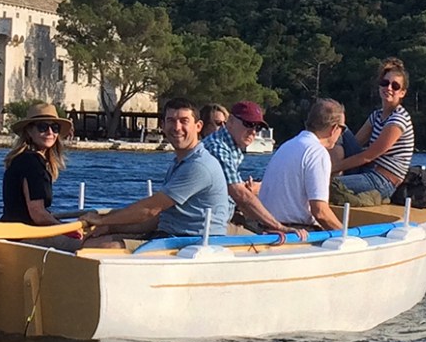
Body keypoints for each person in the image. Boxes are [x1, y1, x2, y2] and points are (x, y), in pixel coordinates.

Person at [81, 98, 231, 244]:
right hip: (171, 237)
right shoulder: (180, 162)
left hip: (194, 244)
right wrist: (109, 227)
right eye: (171, 121)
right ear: (163, 126)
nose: (177, 127)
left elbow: (150, 209)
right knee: (95, 239)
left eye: (184, 121)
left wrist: (101, 220)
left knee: (98, 246)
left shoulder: (199, 166)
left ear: (198, 126)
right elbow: (155, 218)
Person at [203, 101, 305, 236]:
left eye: (257, 127)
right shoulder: (218, 148)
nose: (253, 132)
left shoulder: (228, 147)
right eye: (248, 124)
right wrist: (280, 227)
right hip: (206, 227)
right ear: (231, 121)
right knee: (267, 245)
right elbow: (240, 195)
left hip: (213, 221)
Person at [0, 103, 84, 252]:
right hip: (27, 236)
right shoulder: (32, 162)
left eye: (55, 128)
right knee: (94, 245)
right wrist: (66, 229)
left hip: (15, 234)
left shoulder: (22, 159)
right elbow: (37, 214)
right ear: (29, 131)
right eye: (43, 127)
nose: (50, 132)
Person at [330, 57, 415, 198]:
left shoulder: (398, 119)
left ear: (402, 93)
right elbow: (354, 143)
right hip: (367, 170)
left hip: (382, 181)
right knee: (340, 129)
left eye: (395, 86)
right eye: (385, 83)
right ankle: (324, 169)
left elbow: (368, 156)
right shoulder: (376, 115)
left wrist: (333, 168)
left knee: (326, 186)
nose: (388, 88)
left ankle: (331, 174)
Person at [258, 99, 345, 231]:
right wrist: (348, 236)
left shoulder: (286, 146)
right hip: (296, 233)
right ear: (334, 129)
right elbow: (320, 212)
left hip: (266, 228)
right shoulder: (317, 153)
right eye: (342, 129)